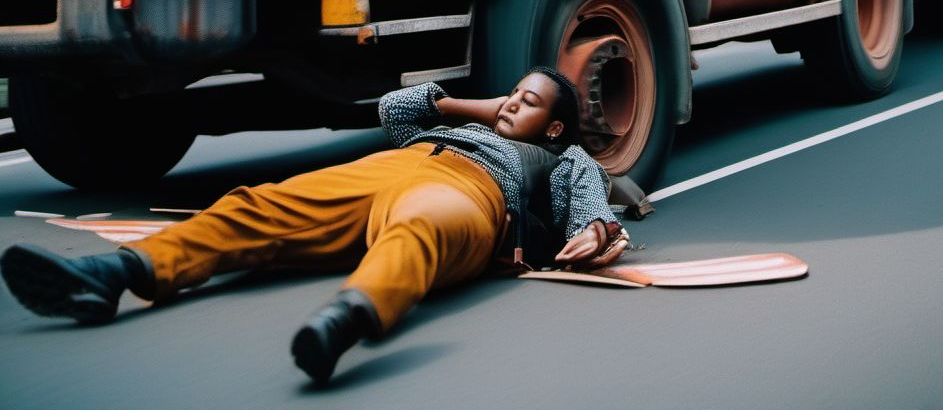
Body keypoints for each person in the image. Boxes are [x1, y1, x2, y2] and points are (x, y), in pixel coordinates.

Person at [1, 68, 630, 384]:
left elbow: (591, 211)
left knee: (418, 229)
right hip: (386, 167)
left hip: (471, 191)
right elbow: (394, 108)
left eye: (530, 101)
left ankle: (346, 318)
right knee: (256, 204)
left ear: (553, 126)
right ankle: (116, 273)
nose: (514, 100)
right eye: (513, 91)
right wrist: (480, 106)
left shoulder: (562, 156)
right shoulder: (466, 120)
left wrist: (596, 235)